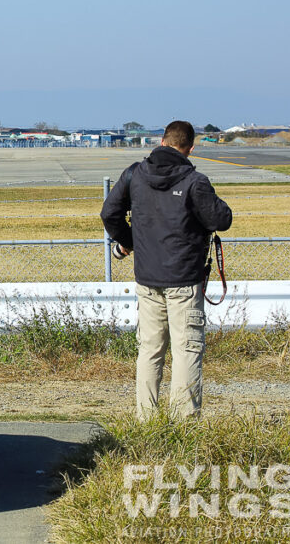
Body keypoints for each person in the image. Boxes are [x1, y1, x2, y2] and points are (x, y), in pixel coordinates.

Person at [100, 120, 232, 419]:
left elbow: (109, 213)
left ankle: (146, 420)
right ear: (190, 148)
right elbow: (221, 219)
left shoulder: (135, 173)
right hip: (184, 279)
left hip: (147, 278)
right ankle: (184, 423)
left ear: (162, 142)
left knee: (149, 350)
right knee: (186, 350)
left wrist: (129, 241)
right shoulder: (195, 181)